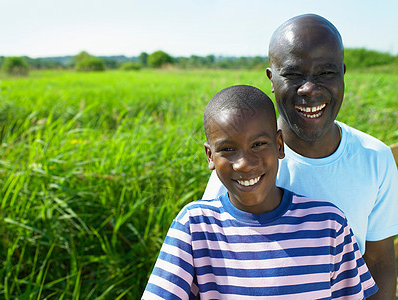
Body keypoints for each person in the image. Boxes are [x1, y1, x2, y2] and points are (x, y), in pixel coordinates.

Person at [202, 14, 398, 299]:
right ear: (271, 78)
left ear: (343, 73)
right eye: (293, 74)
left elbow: (379, 262)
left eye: (325, 73)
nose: (309, 88)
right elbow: (214, 262)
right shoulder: (244, 167)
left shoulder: (374, 158)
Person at [142, 85, 378, 299]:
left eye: (258, 145)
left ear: (279, 145)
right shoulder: (195, 227)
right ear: (210, 156)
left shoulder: (328, 224)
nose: (244, 163)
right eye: (227, 149)